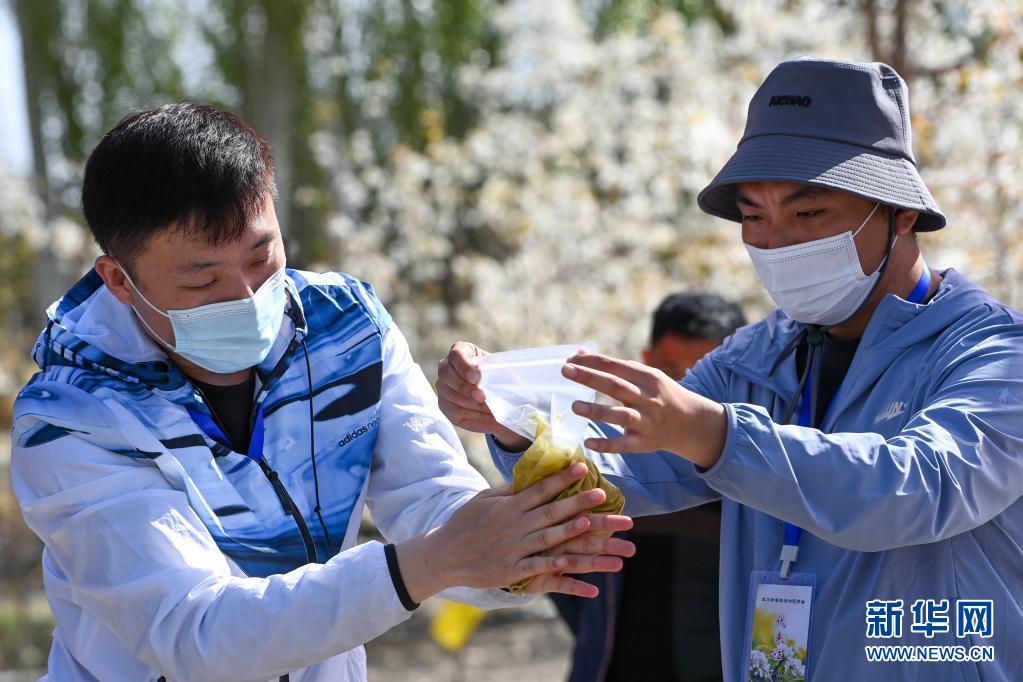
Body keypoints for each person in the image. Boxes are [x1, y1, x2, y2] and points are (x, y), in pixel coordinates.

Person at [436, 57, 1023, 680]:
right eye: (753, 216)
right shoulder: (754, 358)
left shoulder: (992, 351)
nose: (775, 243)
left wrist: (717, 435)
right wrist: (513, 424)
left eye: (808, 214)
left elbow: (919, 490)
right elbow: (624, 471)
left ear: (900, 213)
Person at [9, 103, 635, 682]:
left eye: (262, 258)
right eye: (203, 282)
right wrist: (429, 563)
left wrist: (523, 545)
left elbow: (430, 500)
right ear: (119, 280)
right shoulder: (70, 419)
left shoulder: (347, 329)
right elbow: (194, 633)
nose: (246, 297)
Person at [552, 292, 745, 682]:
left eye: (704, 376)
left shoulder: (759, 475)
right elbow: (564, 573)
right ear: (645, 364)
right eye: (671, 373)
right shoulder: (608, 465)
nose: (685, 392)